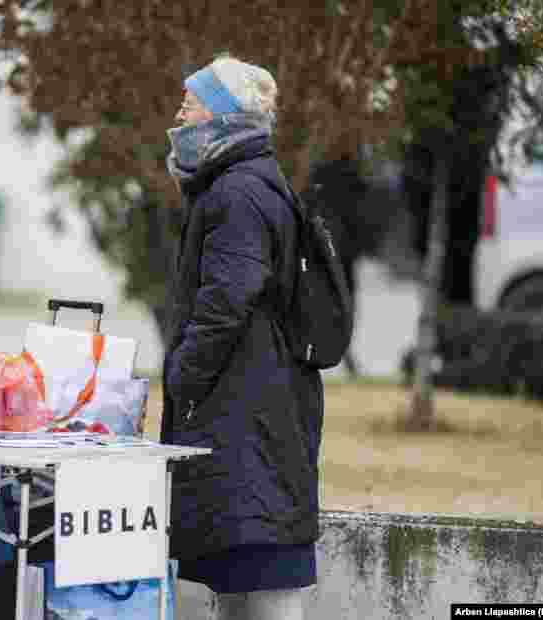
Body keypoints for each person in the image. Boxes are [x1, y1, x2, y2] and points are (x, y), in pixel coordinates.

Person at [160, 56, 324, 620]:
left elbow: (227, 298)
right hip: (251, 399)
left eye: (193, 99)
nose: (179, 110)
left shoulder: (237, 189)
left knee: (261, 557)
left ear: (225, 115)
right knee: (245, 559)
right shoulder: (244, 179)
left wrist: (184, 374)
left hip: (246, 402)